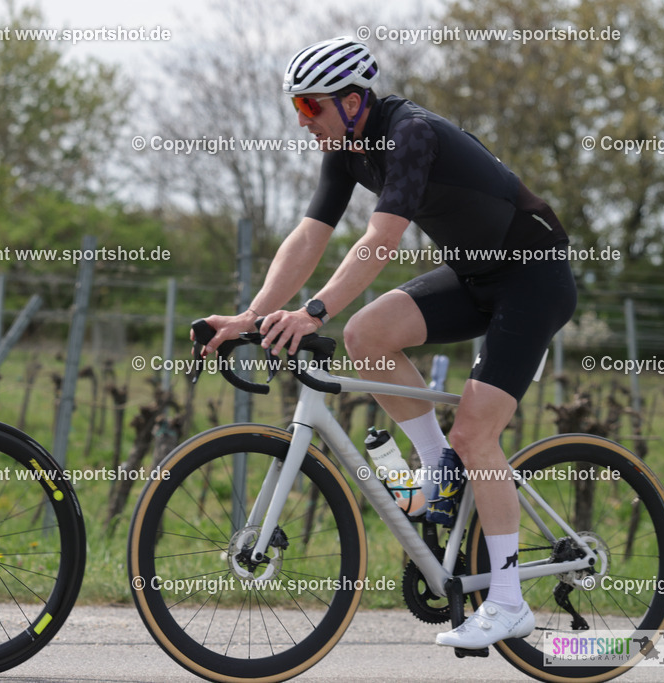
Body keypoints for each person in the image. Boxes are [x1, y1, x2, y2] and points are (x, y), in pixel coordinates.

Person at [198, 37, 576, 649]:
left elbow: (381, 239)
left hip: (533, 276)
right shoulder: (345, 146)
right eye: (295, 107)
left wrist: (314, 310)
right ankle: (437, 469)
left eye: (310, 106)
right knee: (366, 334)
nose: (302, 120)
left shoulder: (411, 134)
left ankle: (508, 603)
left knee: (476, 430)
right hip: (476, 276)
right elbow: (309, 236)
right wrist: (249, 318)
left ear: (352, 101)